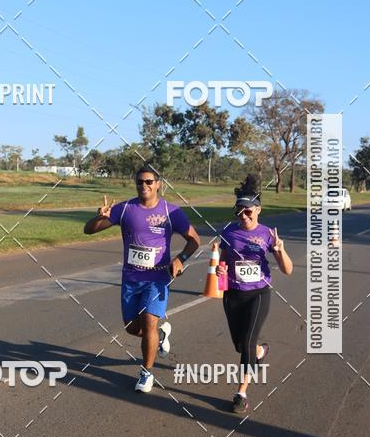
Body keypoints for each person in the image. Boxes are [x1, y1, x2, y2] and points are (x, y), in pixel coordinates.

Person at [83, 167, 200, 393]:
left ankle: (146, 373)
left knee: (148, 322)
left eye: (148, 182)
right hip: (131, 278)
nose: (143, 186)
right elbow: (88, 230)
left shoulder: (171, 211)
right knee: (131, 328)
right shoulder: (125, 208)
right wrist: (99, 218)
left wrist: (180, 259)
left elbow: (193, 240)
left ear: (158, 184)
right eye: (139, 182)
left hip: (158, 277)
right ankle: (161, 334)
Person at [217, 175, 293, 414]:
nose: (244, 216)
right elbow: (220, 264)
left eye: (248, 211)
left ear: (258, 210)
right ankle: (260, 352)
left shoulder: (268, 234)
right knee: (241, 346)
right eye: (239, 211)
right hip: (232, 294)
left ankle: (241, 393)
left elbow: (288, 270)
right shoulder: (228, 232)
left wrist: (279, 251)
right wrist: (220, 271)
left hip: (258, 294)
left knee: (248, 340)